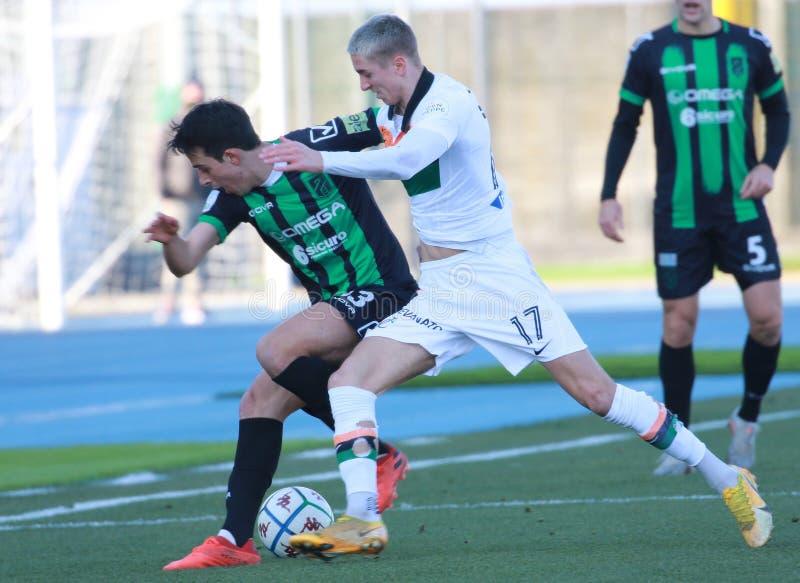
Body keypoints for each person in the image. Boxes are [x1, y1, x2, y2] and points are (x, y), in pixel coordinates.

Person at [260, 13, 773, 558]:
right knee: (349, 383)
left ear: (400, 63)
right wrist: (256, 154)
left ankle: (726, 477)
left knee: (597, 395)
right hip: (441, 288)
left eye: (367, 73)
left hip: (495, 278)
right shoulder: (390, 111)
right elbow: (335, 137)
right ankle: (362, 519)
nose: (363, 84)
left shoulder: (447, 104)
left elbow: (406, 158)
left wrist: (320, 160)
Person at [144, 99, 418, 570]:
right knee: (258, 402)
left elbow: (391, 114)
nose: (203, 180)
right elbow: (187, 261)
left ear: (232, 156)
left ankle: (377, 456)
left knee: (275, 348)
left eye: (203, 168)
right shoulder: (233, 198)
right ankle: (234, 539)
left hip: (385, 292)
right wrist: (171, 241)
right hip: (335, 312)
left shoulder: (314, 146)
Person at [597, 0, 789, 476]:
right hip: (679, 213)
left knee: (767, 320)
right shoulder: (650, 50)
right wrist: (608, 194)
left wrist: (768, 164)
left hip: (742, 208)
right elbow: (626, 123)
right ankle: (680, 441)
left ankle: (746, 420)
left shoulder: (751, 45)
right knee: (679, 324)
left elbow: (779, 110)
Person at [153, 79, 210, 326]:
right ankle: (167, 301)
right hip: (175, 199)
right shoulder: (173, 125)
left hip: (199, 197)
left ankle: (194, 302)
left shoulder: (210, 127)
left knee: (199, 247)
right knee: (173, 247)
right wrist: (162, 190)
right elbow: (158, 159)